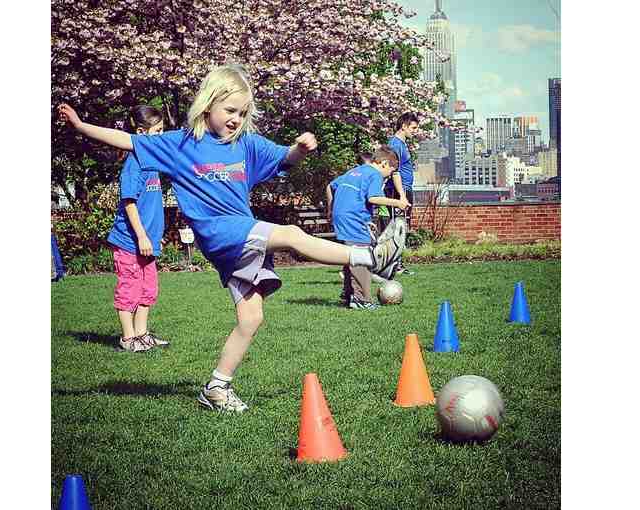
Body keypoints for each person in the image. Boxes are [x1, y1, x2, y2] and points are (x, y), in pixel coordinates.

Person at [58, 63, 402, 413]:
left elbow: (285, 158)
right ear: (208, 105)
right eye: (230, 111)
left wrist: (300, 148)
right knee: (291, 234)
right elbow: (128, 141)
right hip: (218, 233)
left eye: (242, 113)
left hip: (241, 236)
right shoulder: (181, 144)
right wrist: (81, 125)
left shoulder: (246, 145)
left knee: (251, 319)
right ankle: (371, 257)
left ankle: (216, 388)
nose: (236, 119)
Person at [107, 105, 170, 353]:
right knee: (129, 288)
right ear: (142, 132)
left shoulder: (151, 163)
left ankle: (142, 335)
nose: (162, 135)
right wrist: (142, 236)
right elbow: (129, 203)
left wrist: (154, 237)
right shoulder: (134, 163)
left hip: (148, 241)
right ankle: (128, 337)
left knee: (148, 289)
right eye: (158, 130)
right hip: (129, 242)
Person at [327, 146, 409, 310]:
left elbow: (330, 186)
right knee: (362, 255)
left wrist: (331, 209)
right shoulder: (374, 174)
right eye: (390, 171)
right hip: (353, 217)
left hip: (343, 216)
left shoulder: (355, 171)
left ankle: (348, 295)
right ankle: (361, 299)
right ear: (384, 163)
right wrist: (398, 203)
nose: (389, 176)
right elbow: (373, 198)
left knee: (350, 255)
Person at [383, 112, 422, 275]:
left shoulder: (402, 144)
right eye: (413, 128)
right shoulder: (395, 144)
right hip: (398, 190)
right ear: (404, 126)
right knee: (397, 228)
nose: (415, 131)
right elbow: (394, 171)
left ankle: (397, 264)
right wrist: (402, 195)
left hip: (405, 188)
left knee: (402, 227)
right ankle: (395, 265)